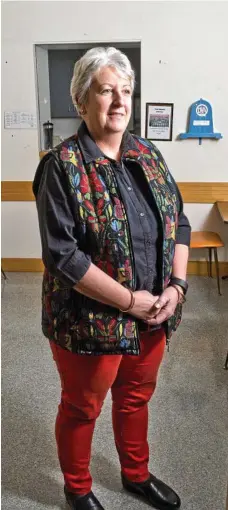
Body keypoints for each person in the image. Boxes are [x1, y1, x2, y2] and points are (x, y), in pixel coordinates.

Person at [33, 47, 191, 510]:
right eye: (106, 91)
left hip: (154, 315)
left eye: (126, 91)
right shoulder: (61, 167)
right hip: (87, 322)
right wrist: (129, 301)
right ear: (82, 101)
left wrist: (176, 288)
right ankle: (77, 488)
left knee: (136, 399)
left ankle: (136, 475)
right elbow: (63, 257)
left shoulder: (147, 152)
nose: (120, 101)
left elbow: (178, 220)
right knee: (82, 408)